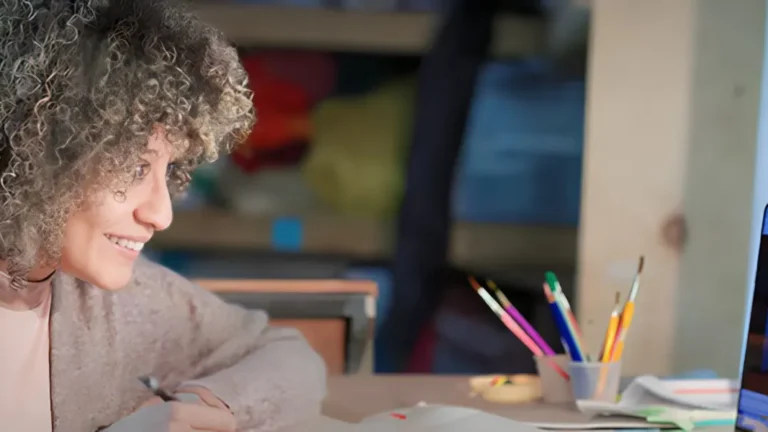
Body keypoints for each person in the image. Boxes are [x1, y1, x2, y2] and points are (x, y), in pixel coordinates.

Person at [0, 1, 327, 431]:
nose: (161, 213)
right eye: (134, 167)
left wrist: (208, 407)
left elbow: (288, 356)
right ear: (35, 153)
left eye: (168, 168)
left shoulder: (116, 303)